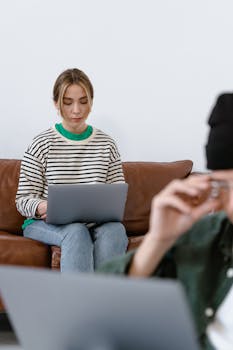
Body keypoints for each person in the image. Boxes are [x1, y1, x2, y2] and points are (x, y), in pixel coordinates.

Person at [99, 93, 233, 350]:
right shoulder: (205, 238)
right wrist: (157, 241)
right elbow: (103, 316)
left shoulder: (105, 146)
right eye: (224, 187)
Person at [15, 68, 128, 273]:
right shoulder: (42, 143)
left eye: (83, 101)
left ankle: (107, 301)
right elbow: (22, 200)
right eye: (68, 102)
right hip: (46, 224)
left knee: (116, 231)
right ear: (56, 103)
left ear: (91, 102)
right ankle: (80, 303)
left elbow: (117, 193)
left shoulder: (106, 144)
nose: (76, 110)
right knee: (76, 232)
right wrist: (44, 206)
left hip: (96, 223)